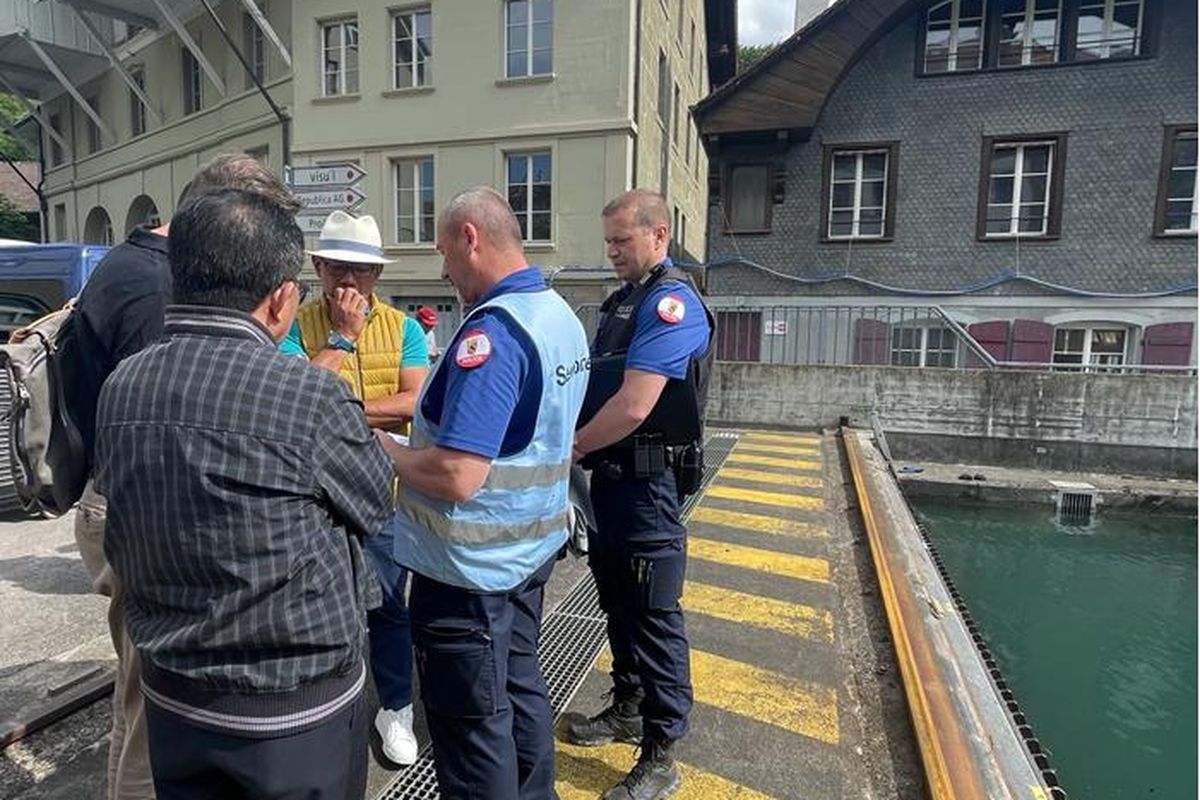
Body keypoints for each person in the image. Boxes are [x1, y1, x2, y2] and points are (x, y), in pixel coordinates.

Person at [95, 189, 394, 800]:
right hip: (292, 707)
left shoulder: (123, 384)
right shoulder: (310, 397)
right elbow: (373, 504)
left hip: (173, 690)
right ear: (284, 294)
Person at [66, 153, 300, 800]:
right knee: (157, 702)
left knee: (143, 692)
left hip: (122, 497)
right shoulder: (157, 290)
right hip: (141, 506)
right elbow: (183, 431)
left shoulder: (134, 263)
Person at [377, 187, 590, 800]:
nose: (444, 271)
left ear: (471, 237)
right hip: (527, 558)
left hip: (467, 577)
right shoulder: (557, 315)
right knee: (520, 694)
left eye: (445, 253)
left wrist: (383, 451)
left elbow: (458, 475)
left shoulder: (490, 336)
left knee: (473, 732)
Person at [566, 189, 714, 800]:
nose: (612, 252)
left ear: (659, 234)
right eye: (608, 242)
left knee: (654, 615)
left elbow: (633, 404)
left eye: (622, 241)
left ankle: (661, 751)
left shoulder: (671, 303)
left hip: (648, 484)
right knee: (619, 606)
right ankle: (627, 704)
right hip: (613, 483)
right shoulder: (624, 302)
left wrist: (570, 450)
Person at [278, 210, 427, 765]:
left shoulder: (405, 328)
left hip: (382, 498)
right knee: (318, 610)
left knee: (389, 607)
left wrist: (339, 411)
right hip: (315, 503)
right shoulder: (294, 325)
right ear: (317, 266)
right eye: (338, 267)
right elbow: (295, 403)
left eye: (362, 271)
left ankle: (396, 708)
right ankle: (328, 711)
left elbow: (414, 402)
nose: (349, 282)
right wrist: (342, 338)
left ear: (378, 276)